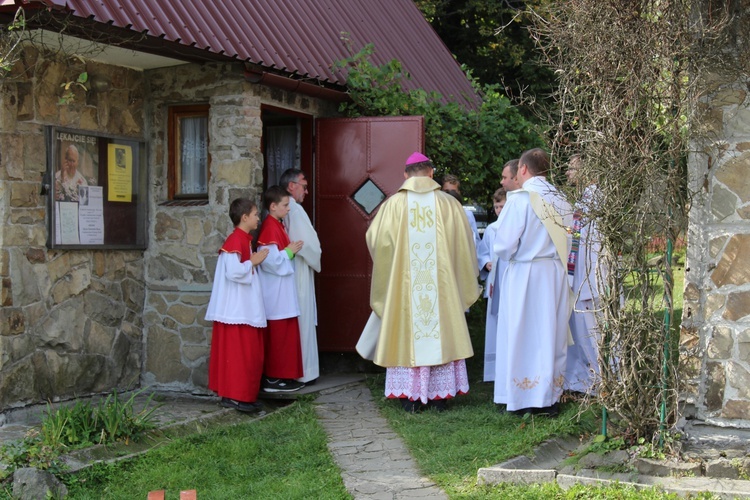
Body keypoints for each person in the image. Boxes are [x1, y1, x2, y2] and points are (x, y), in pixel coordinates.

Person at [362, 152, 481, 412]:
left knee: (407, 333)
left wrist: (395, 263)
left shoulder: (393, 205)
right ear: (431, 173)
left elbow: (375, 240)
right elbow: (465, 244)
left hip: (406, 290)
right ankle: (440, 397)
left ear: (405, 174)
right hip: (441, 288)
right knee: (443, 330)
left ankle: (411, 397)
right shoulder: (449, 204)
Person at [492, 148, 573, 417]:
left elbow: (503, 245)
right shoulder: (561, 199)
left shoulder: (521, 199)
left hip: (526, 273)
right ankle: (549, 397)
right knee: (551, 333)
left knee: (522, 334)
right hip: (554, 274)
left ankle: (523, 398)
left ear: (523, 170)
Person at [205, 198, 269, 413]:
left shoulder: (244, 239)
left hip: (244, 307)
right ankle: (235, 397)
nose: (258, 218)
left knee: (248, 354)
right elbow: (233, 272)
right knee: (240, 354)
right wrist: (253, 261)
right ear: (244, 217)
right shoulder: (235, 241)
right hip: (237, 310)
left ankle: (244, 396)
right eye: (255, 214)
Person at [257, 185, 306, 393]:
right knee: (278, 339)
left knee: (284, 337)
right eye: (285, 205)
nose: (288, 209)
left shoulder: (277, 224)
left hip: (281, 293)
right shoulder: (269, 228)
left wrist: (288, 252)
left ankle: (284, 377)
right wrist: (289, 252)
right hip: (275, 295)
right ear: (273, 206)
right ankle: (274, 379)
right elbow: (269, 262)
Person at [564, 155, 603, 394]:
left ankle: (601, 379)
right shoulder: (585, 198)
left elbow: (587, 238)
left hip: (590, 273)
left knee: (593, 329)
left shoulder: (595, 197)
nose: (567, 173)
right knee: (585, 329)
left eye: (571, 168)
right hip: (583, 274)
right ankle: (595, 376)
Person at [279, 168, 322, 384]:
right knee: (302, 317)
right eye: (304, 187)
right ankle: (306, 371)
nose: (306, 191)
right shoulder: (294, 211)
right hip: (299, 270)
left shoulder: (289, 210)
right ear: (291, 186)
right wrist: (318, 255)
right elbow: (309, 245)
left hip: (296, 266)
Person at [476, 188, 507, 382]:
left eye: (502, 206)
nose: (498, 210)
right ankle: (494, 371)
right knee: (495, 323)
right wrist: (486, 262)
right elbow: (483, 251)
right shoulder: (491, 229)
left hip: (509, 279)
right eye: (496, 206)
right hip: (495, 279)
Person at [441, 174, 480, 248]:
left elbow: (476, 240)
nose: (450, 195)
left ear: (458, 192)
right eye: (446, 191)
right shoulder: (438, 213)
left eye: (453, 191)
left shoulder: (467, 214)